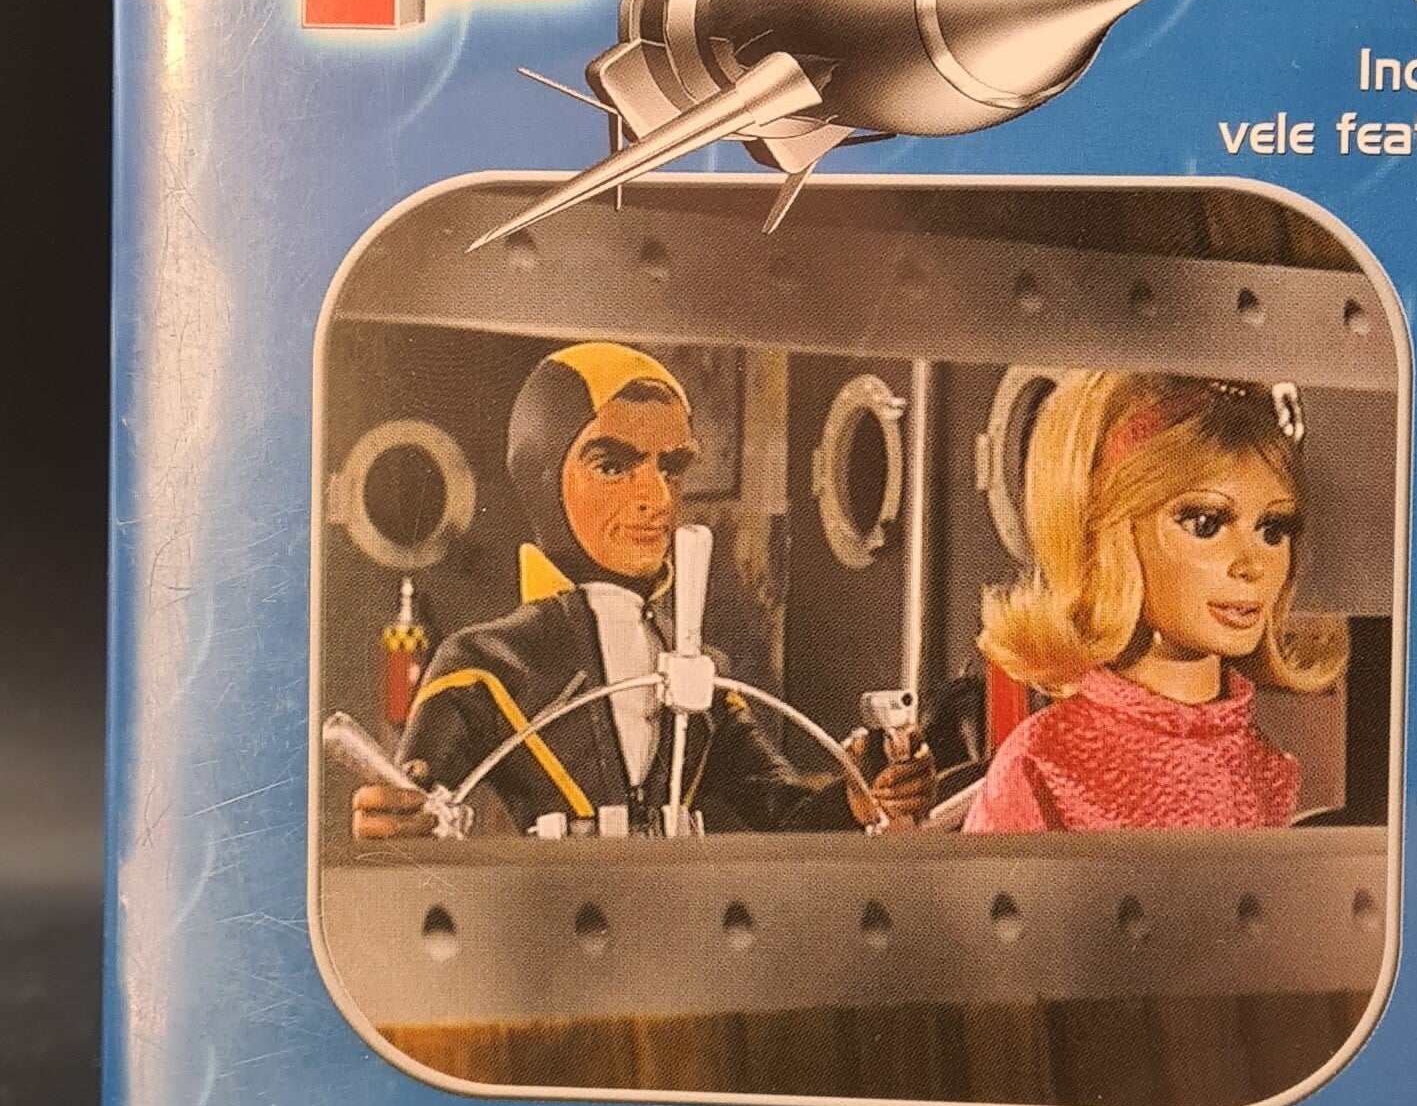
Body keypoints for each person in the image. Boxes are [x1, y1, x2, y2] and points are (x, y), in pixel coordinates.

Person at [349, 339, 886, 840]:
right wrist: (391, 820)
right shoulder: (482, 665)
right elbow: (410, 814)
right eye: (612, 466)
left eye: (671, 468)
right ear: (541, 477)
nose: (657, 498)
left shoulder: (705, 675)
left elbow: (786, 813)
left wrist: (862, 796)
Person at [962, 369, 1347, 836]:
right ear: (1111, 538)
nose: (1253, 566)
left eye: (1272, 530)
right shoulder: (1043, 763)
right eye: (1206, 524)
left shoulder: (1266, 767)